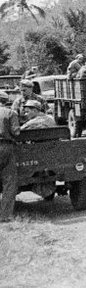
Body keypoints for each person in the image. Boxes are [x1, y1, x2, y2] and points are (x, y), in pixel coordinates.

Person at [0, 90, 20, 222]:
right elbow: (16, 132)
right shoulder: (10, 113)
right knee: (9, 182)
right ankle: (5, 216)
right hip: (5, 147)